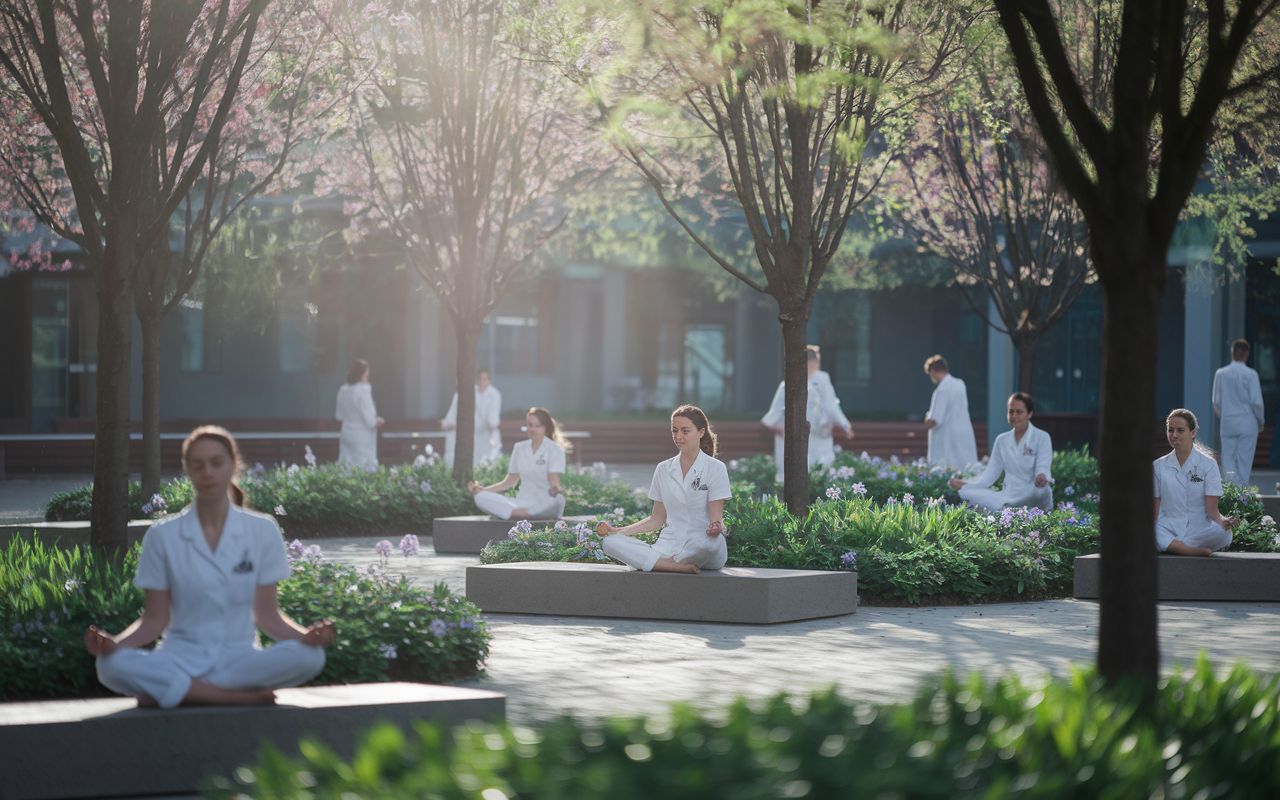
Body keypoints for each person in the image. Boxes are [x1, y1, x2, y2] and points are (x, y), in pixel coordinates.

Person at [85, 426, 334, 708]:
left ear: (233, 465)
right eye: (198, 465)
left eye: (217, 463)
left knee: (311, 657)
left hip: (239, 659)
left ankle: (180, 691)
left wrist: (308, 637)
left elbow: (267, 616)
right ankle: (232, 697)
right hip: (180, 656)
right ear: (187, 471)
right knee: (109, 666)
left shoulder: (263, 529)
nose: (208, 473)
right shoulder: (162, 535)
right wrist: (113, 645)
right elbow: (155, 620)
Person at [596, 405, 731, 574]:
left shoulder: (715, 468)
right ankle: (671, 565)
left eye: (685, 431)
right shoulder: (663, 469)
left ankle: (657, 563)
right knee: (610, 542)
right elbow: (656, 520)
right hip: (668, 545)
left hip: (703, 543)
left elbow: (715, 518)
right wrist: (618, 531)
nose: (678, 437)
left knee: (703, 544)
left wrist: (716, 528)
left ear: (701, 432)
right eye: (674, 431)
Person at [760, 345, 854, 482]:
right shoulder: (788, 384)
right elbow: (771, 417)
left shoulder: (822, 379)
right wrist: (780, 429)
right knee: (795, 477)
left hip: (820, 437)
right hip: (795, 439)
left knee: (822, 475)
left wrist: (845, 424)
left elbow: (831, 405)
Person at [949, 393, 1053, 512]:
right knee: (966, 492)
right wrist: (966, 484)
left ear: (1029, 414)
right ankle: (1007, 508)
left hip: (1033, 492)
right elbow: (990, 475)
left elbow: (1043, 465)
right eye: (1010, 412)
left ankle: (1010, 509)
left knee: (1042, 491)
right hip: (1008, 494)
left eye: (1019, 412)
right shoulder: (1001, 440)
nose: (1014, 416)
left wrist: (1041, 477)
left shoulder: (1042, 437)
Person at [1154, 409, 1235, 556]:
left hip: (1199, 529)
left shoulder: (1208, 464)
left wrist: (1222, 521)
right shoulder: (1158, 466)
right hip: (1168, 527)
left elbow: (1212, 511)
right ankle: (1181, 548)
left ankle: (1172, 545)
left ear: (1193, 433)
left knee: (1224, 533)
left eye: (1180, 430)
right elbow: (1155, 511)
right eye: (1170, 430)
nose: (1175, 435)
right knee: (1148, 528)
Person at [467, 407, 567, 520]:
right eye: (529, 425)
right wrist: (484, 490)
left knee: (559, 499)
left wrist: (555, 489)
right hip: (521, 502)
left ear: (545, 428)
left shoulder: (555, 449)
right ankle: (519, 513)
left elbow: (554, 479)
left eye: (537, 426)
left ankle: (519, 514)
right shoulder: (519, 448)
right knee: (480, 497)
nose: (532, 429)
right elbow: (509, 482)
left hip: (545, 501)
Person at [1212, 339, 1265, 486]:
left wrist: (1225, 417)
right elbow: (1257, 402)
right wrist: (1261, 421)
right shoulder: (1251, 374)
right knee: (1244, 460)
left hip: (1228, 421)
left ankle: (1229, 493)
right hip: (1247, 422)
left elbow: (1216, 401)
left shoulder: (1221, 373)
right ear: (1246, 353)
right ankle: (1242, 494)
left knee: (1228, 459)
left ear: (1232, 352)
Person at [923, 355, 978, 470]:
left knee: (947, 470)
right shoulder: (960, 384)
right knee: (966, 468)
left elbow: (936, 420)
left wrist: (927, 419)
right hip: (964, 432)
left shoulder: (941, 390)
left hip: (947, 437)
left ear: (933, 371)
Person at [443, 369, 503, 467]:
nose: (482, 382)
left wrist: (493, 423)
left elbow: (493, 421)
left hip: (488, 438)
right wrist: (449, 424)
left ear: (489, 381)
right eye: (480, 379)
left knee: (489, 466)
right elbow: (450, 417)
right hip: (470, 438)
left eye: (485, 379)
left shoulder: (494, 395)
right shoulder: (464, 393)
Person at [335, 358, 384, 468]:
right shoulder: (362, 390)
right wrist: (377, 421)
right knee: (364, 467)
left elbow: (339, 415)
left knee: (346, 465)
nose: (366, 379)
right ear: (360, 375)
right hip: (362, 435)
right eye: (366, 376)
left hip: (347, 431)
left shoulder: (343, 390)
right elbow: (370, 419)